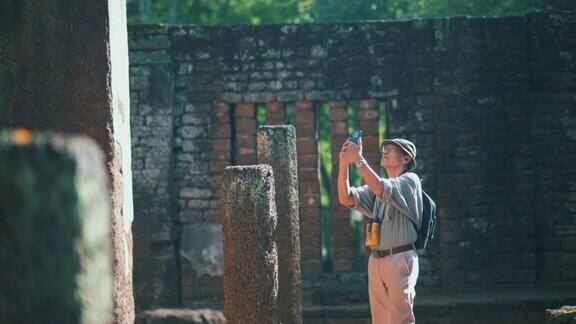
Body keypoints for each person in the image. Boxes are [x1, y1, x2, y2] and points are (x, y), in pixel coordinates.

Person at [338, 137, 423, 324]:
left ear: (406, 158)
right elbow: (346, 198)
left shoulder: (410, 181)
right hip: (376, 259)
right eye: (385, 148)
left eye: (392, 149)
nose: (385, 151)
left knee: (401, 318)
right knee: (380, 319)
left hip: (400, 258)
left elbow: (380, 188)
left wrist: (358, 158)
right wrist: (344, 164)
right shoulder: (378, 187)